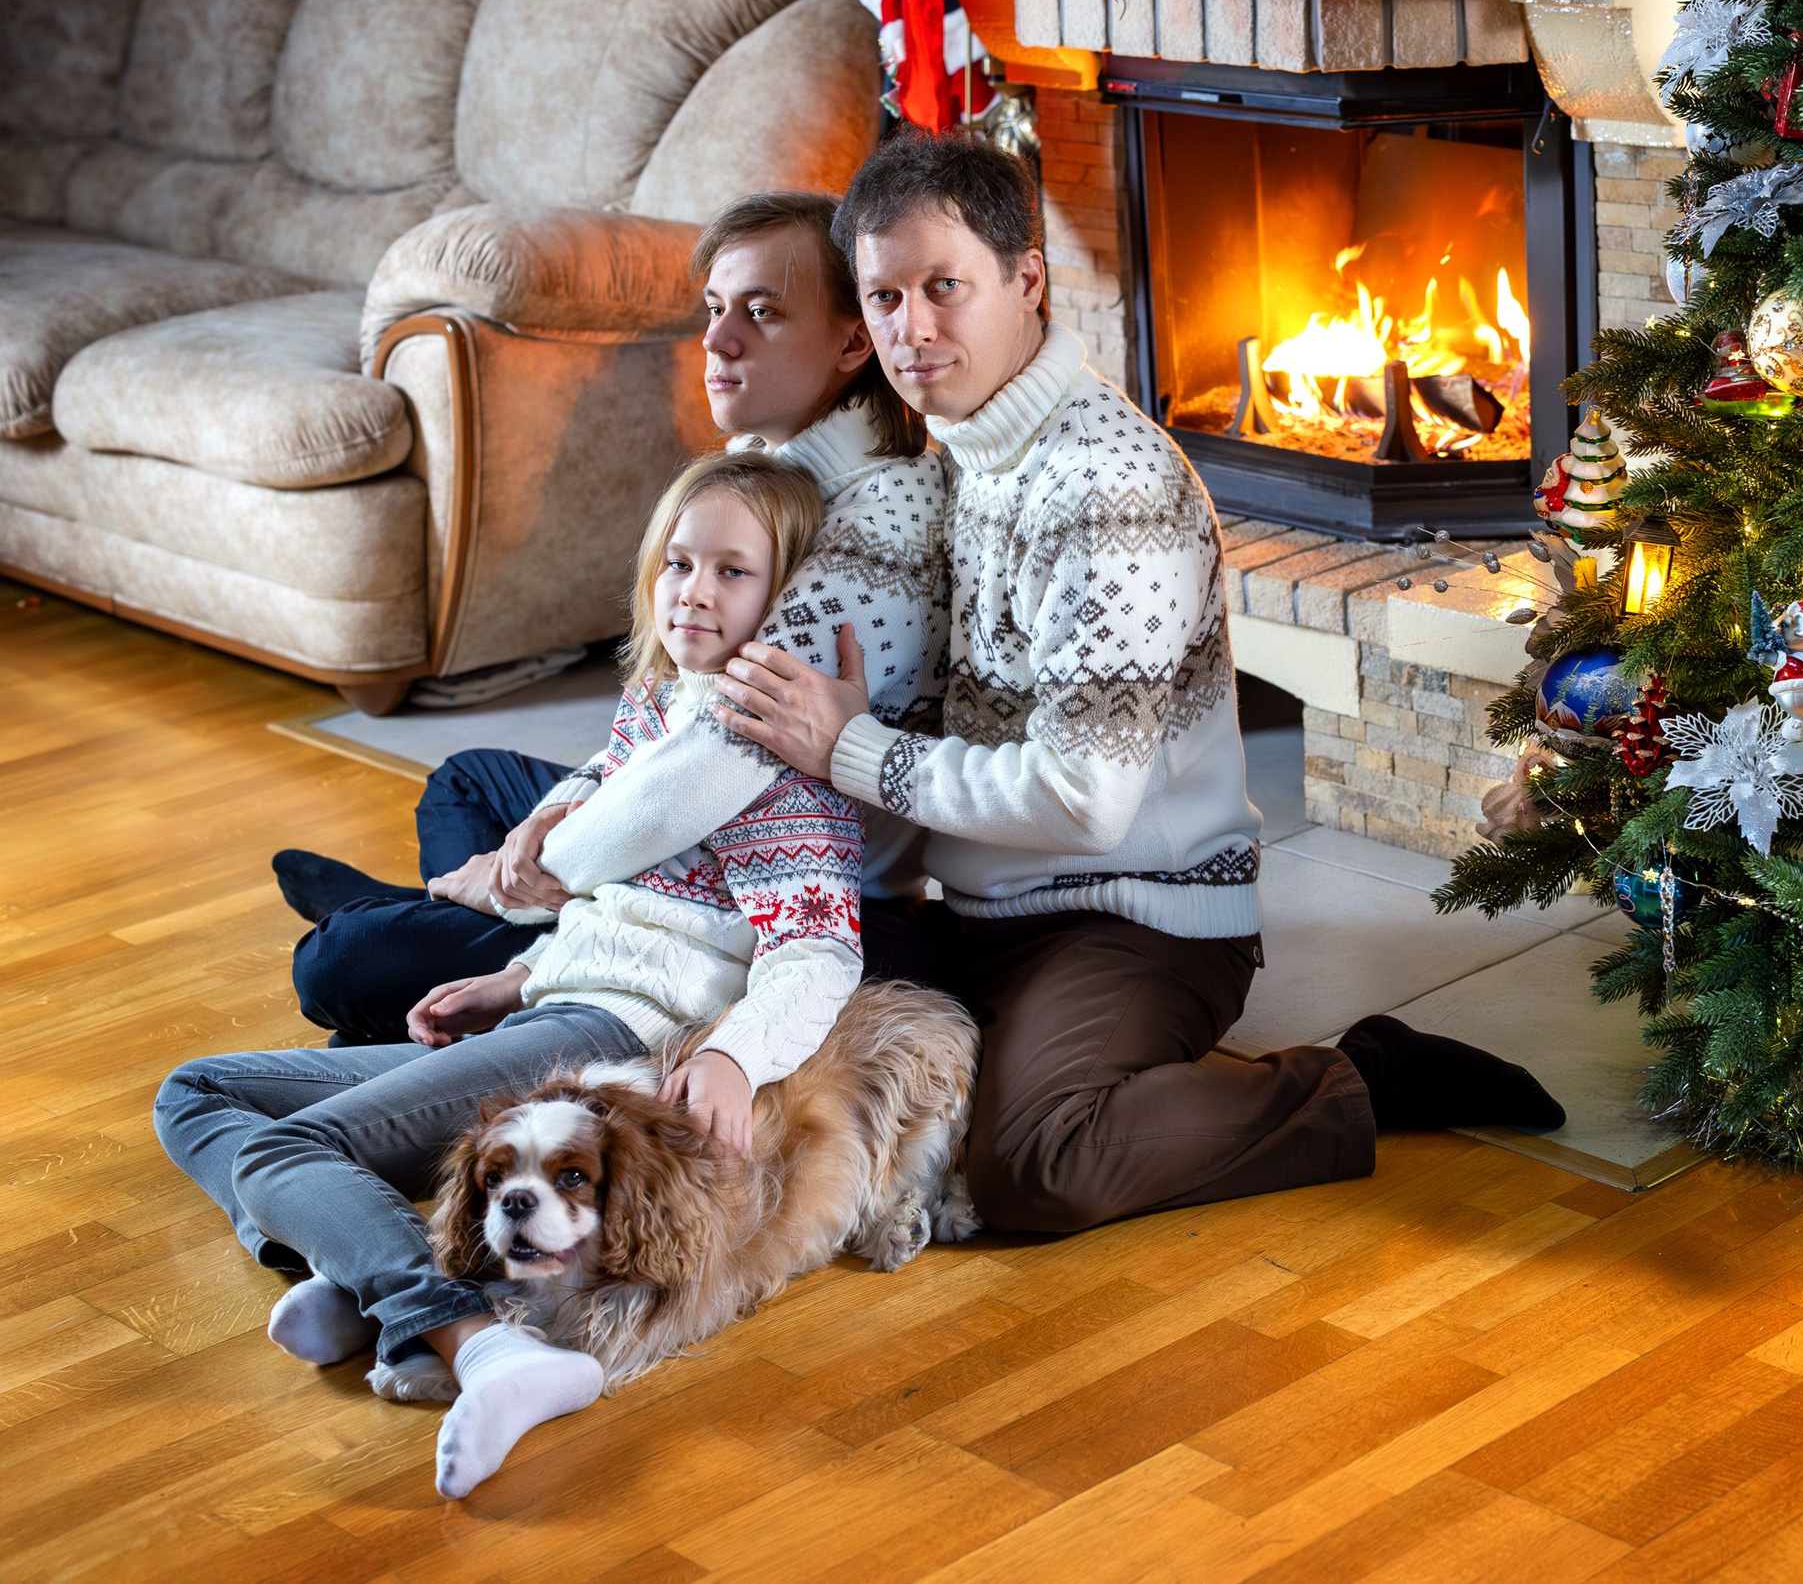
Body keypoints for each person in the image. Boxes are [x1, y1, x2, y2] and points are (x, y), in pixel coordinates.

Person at [705, 131, 1566, 1235]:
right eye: (882, 297)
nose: (910, 330)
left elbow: (1085, 801)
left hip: (1134, 920)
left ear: (1026, 282)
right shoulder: (961, 457)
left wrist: (852, 748)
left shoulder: (1105, 489)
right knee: (721, 969)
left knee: (1036, 1165)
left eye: (943, 288)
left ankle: (1358, 1080)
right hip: (978, 910)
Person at [156, 453, 865, 1500]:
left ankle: (468, 1337)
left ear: (787, 599)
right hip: (554, 1006)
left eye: (733, 573)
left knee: (291, 1141)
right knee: (197, 1091)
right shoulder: (654, 711)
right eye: (678, 564)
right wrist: (520, 975)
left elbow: (820, 953)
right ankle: (350, 1272)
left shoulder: (773, 769)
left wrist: (729, 1052)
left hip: (603, 1045)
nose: (694, 593)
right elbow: (616, 914)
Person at [274, 192, 946, 1043]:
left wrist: (525, 872)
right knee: (468, 781)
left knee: (335, 964)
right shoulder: (765, 465)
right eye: (714, 309)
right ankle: (446, 930)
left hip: (785, 891)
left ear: (854, 341)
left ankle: (434, 932)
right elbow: (665, 716)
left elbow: (709, 768)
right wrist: (558, 810)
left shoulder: (882, 524)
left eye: (762, 313)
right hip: (680, 841)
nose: (716, 340)